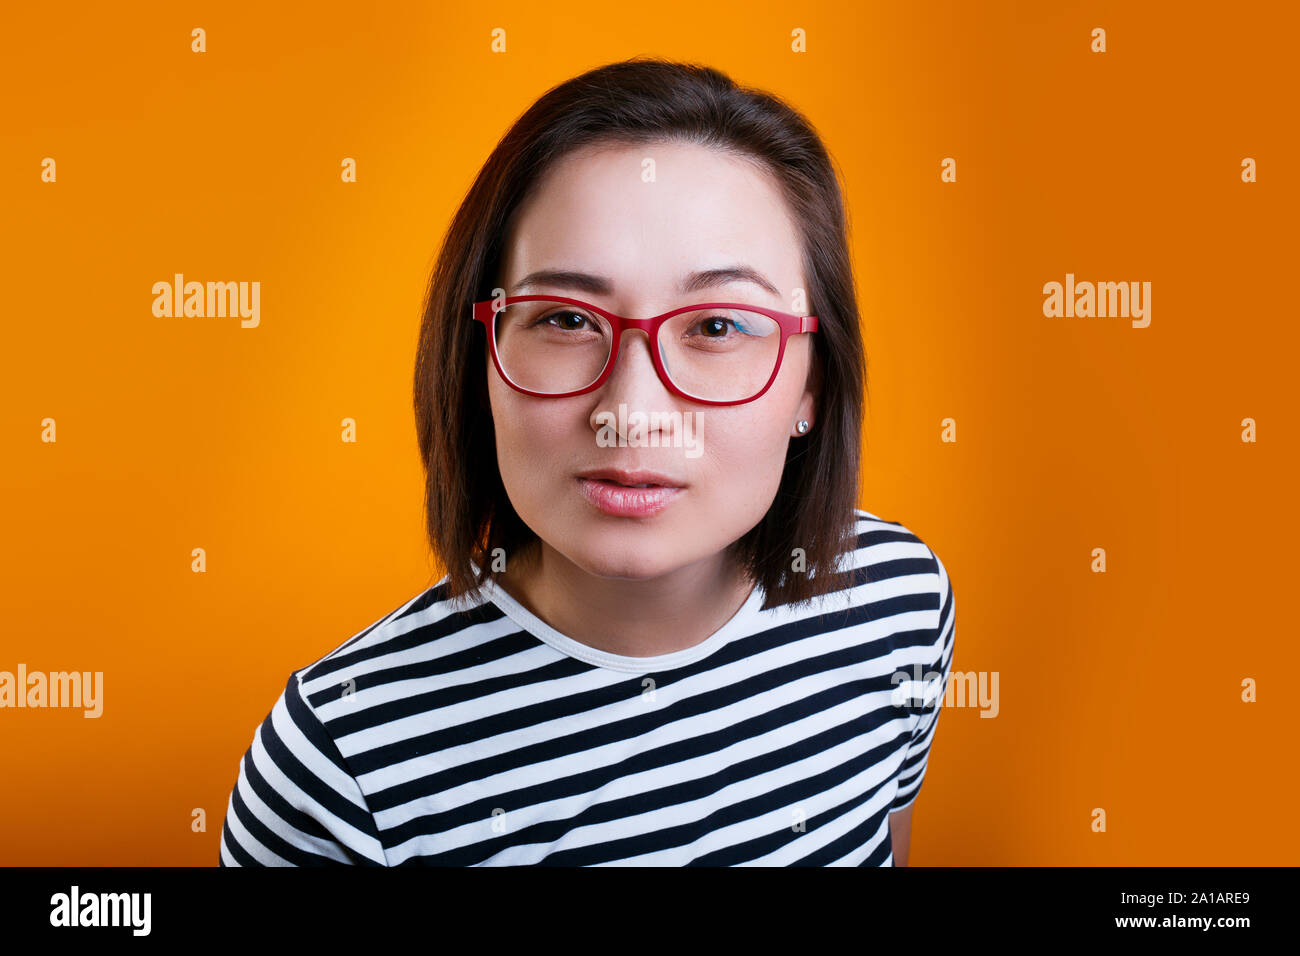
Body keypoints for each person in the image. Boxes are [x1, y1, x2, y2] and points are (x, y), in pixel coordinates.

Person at [219, 57, 955, 867]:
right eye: (566, 318)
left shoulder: (897, 606)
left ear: (813, 384)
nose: (630, 414)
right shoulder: (341, 760)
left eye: (716, 328)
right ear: (480, 364)